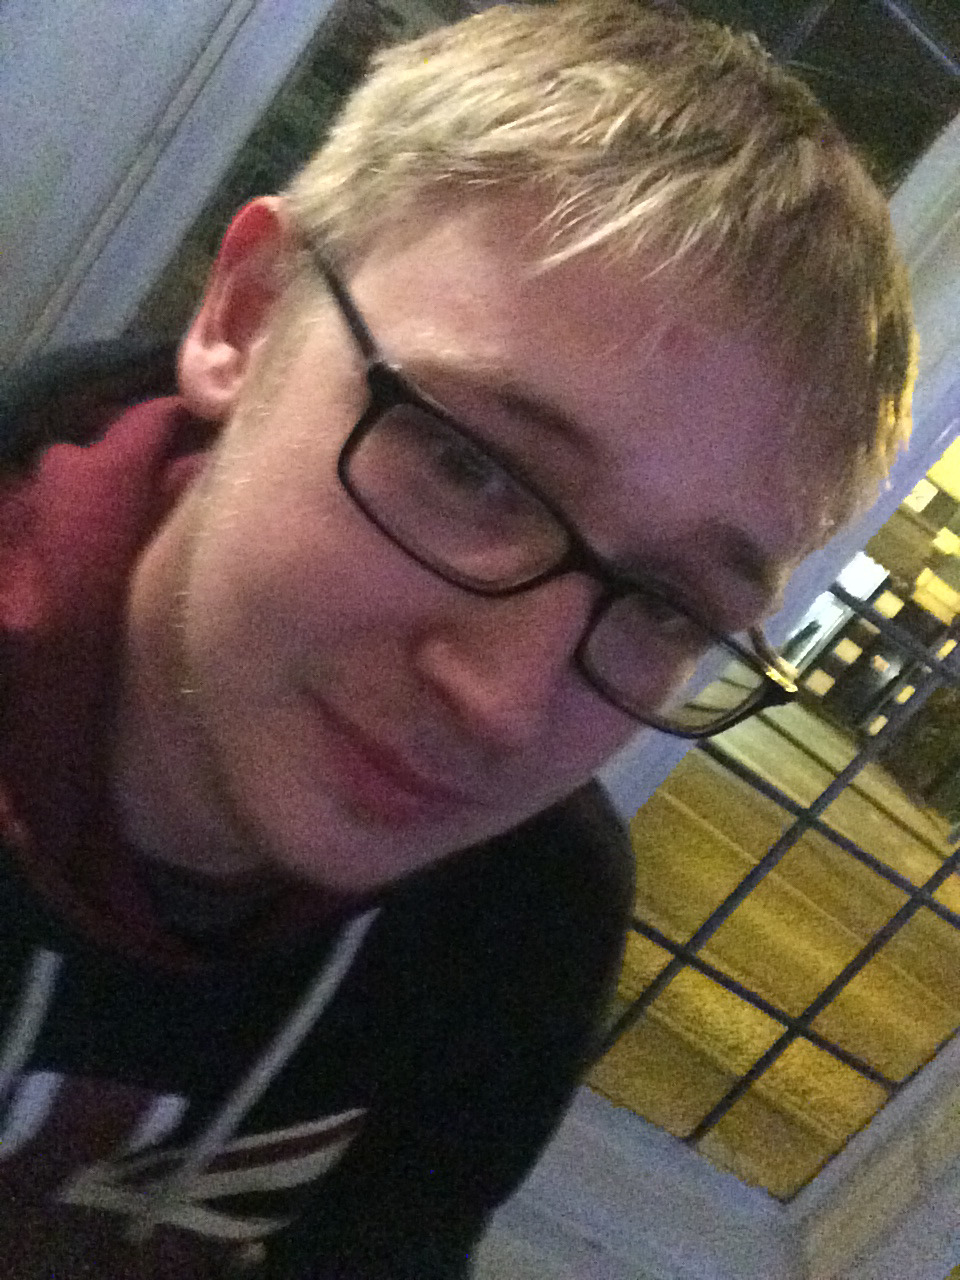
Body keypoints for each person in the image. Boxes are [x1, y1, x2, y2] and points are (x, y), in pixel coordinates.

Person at [0, 1, 916, 1276]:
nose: (506, 701)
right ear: (247, 317)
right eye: (469, 465)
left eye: (665, 604)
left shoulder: (523, 920)